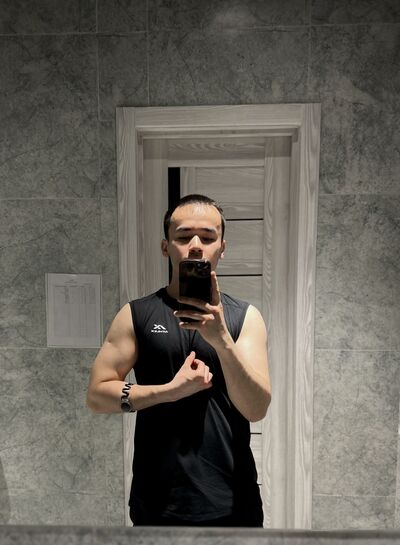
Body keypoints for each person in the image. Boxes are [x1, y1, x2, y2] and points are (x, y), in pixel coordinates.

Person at [86, 194, 271, 527]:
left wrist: (221, 340)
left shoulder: (246, 317)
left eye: (208, 237)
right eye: (184, 237)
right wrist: (169, 391)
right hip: (157, 503)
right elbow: (97, 396)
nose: (196, 246)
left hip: (232, 503)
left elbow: (256, 408)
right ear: (165, 247)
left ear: (222, 248)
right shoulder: (136, 314)